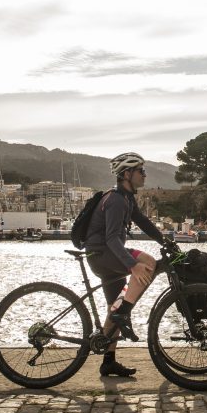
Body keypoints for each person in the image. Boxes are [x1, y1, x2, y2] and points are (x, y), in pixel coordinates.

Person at [83, 151, 168, 377]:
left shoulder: (127, 198)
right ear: (127, 174)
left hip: (107, 256)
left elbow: (143, 222)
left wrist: (165, 240)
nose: (145, 175)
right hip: (102, 255)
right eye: (141, 171)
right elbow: (111, 238)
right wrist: (132, 265)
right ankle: (124, 312)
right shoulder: (116, 200)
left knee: (116, 306)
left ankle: (108, 361)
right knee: (148, 262)